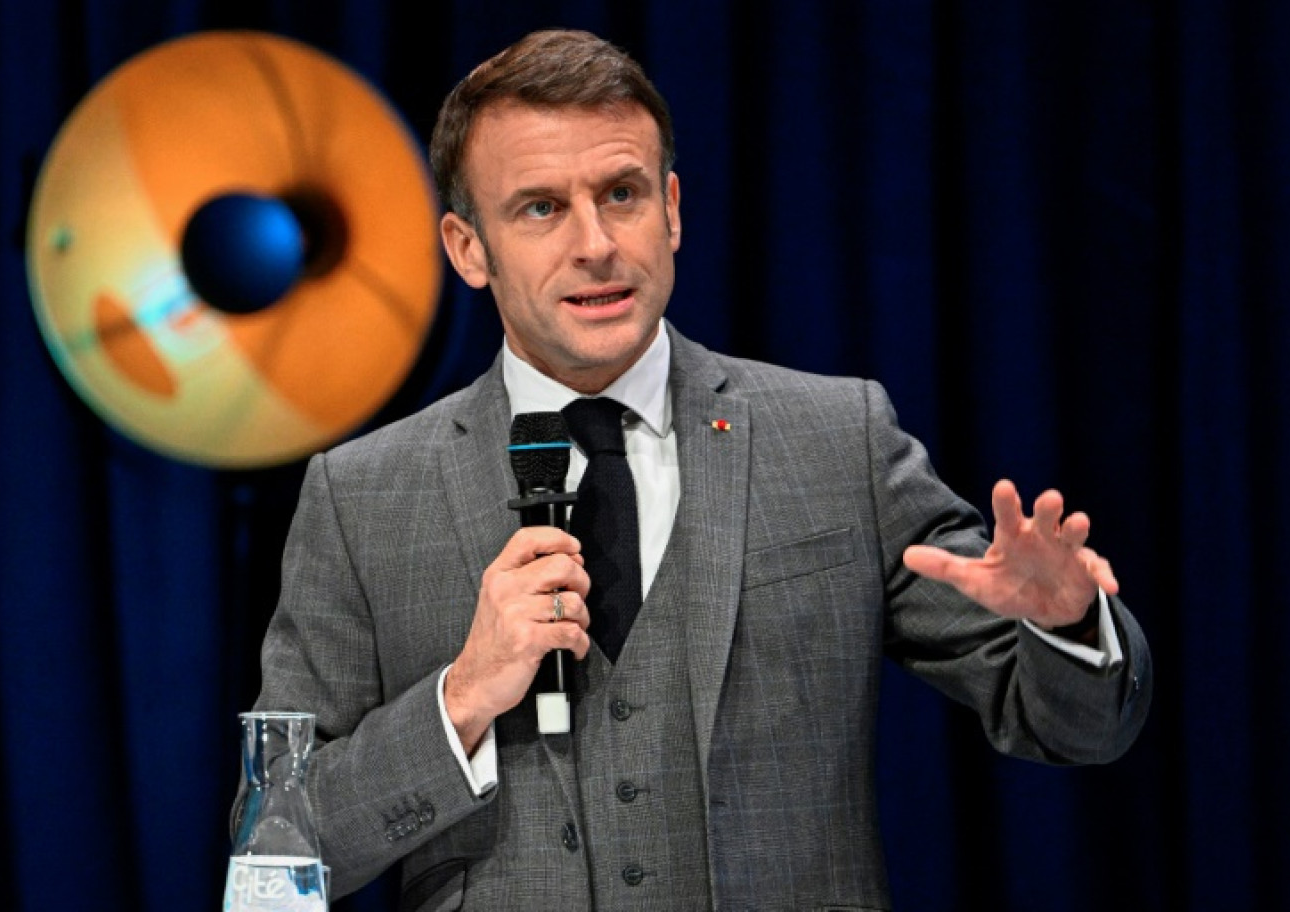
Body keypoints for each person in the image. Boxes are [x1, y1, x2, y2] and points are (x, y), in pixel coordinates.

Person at [246, 28, 1151, 910]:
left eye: (623, 193)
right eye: (541, 208)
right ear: (467, 248)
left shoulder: (835, 439)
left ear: (672, 210)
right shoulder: (362, 496)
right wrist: (462, 698)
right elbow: (279, 854)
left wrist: (1070, 626)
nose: (596, 243)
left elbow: (1077, 725)